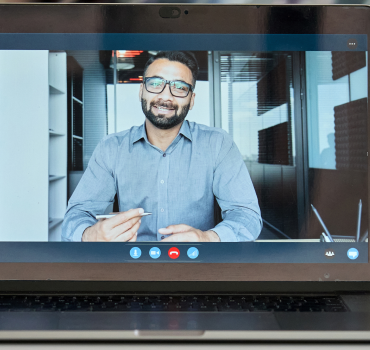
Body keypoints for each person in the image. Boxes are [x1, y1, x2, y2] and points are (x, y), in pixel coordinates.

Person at [62, 51, 262, 243]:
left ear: (191, 100)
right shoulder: (111, 148)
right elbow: (76, 215)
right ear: (142, 90)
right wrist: (90, 234)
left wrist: (208, 238)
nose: (166, 96)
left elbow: (247, 215)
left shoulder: (218, 144)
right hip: (132, 265)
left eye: (180, 87)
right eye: (155, 84)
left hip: (196, 264)